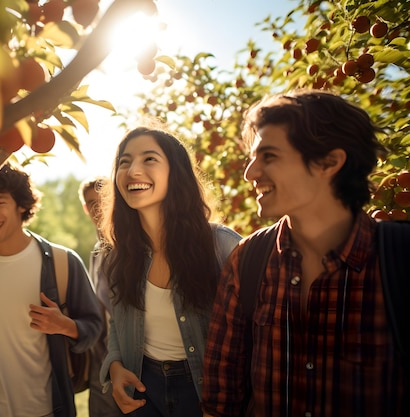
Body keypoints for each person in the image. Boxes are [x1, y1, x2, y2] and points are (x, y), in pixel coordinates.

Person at [201, 89, 407, 417]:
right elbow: (220, 401)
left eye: (268, 156)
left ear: (329, 161)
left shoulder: (399, 261)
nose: (249, 173)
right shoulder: (247, 260)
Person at [98, 126, 242, 416]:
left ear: (175, 173)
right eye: (124, 162)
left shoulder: (222, 246)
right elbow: (118, 321)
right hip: (142, 392)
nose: (132, 170)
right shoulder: (116, 254)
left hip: (205, 392)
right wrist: (114, 367)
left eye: (149, 159)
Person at [0, 162, 102, 417]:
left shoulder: (63, 263)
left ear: (21, 205)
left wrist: (64, 325)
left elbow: (93, 328)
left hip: (47, 409)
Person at [78, 176, 125, 417]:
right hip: (101, 354)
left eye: (102, 200)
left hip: (130, 355)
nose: (98, 208)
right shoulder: (96, 253)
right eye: (91, 203)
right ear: (85, 208)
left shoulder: (128, 246)